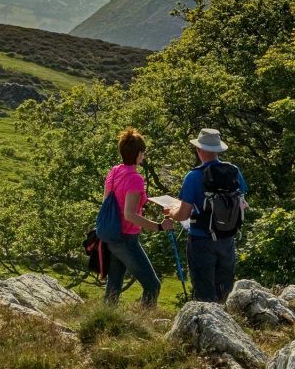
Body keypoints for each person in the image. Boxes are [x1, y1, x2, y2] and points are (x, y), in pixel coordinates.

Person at [164, 128, 248, 302]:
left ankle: (207, 324)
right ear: (218, 150)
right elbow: (242, 203)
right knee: (224, 289)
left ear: (199, 150)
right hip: (226, 238)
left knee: (204, 291)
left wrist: (171, 211)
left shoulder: (193, 176)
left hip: (201, 239)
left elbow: (183, 214)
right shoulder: (233, 171)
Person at [101, 127, 174, 305]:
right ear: (139, 153)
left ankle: (105, 321)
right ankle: (146, 323)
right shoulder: (135, 178)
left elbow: (108, 202)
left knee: (113, 287)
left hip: (111, 235)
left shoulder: (114, 171)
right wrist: (159, 226)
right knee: (153, 285)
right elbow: (129, 215)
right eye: (143, 152)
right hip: (127, 238)